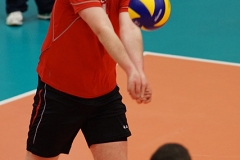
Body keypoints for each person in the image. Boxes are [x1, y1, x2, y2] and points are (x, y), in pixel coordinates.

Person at [25, 0, 152, 160]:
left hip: (104, 92)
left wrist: (138, 71)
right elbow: (102, 28)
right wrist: (130, 69)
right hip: (60, 93)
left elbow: (130, 27)